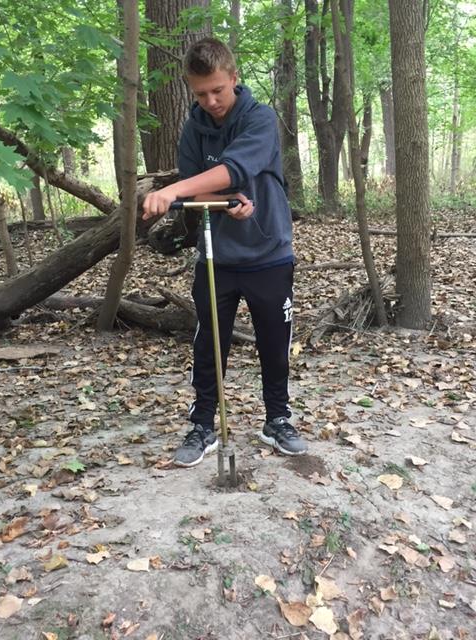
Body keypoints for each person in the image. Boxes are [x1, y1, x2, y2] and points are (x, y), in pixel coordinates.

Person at [142, 37, 307, 467]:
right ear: (191, 90)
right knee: (209, 341)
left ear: (233, 78)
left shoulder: (260, 118)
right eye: (201, 93)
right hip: (218, 256)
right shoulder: (193, 128)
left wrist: (179, 190)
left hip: (269, 249)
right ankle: (202, 424)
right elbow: (202, 183)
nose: (211, 100)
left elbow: (235, 168)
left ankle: (277, 418)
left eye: (218, 89)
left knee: (274, 340)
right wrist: (224, 199)